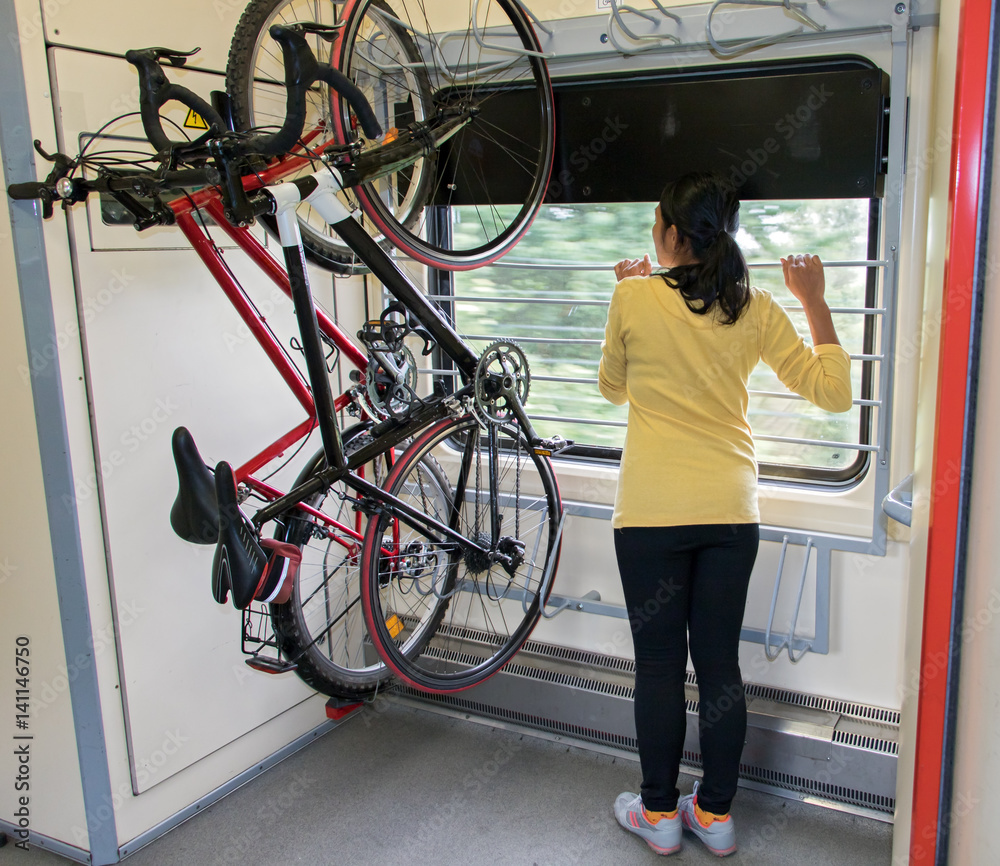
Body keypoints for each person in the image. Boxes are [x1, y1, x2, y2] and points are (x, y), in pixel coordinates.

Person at [600, 172, 852, 857]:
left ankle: (658, 816)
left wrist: (630, 294)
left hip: (650, 514)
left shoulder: (633, 296)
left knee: (657, 667)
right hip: (730, 514)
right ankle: (714, 816)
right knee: (718, 667)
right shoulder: (758, 306)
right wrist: (815, 301)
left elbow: (613, 390)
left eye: (657, 221)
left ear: (671, 234)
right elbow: (832, 394)